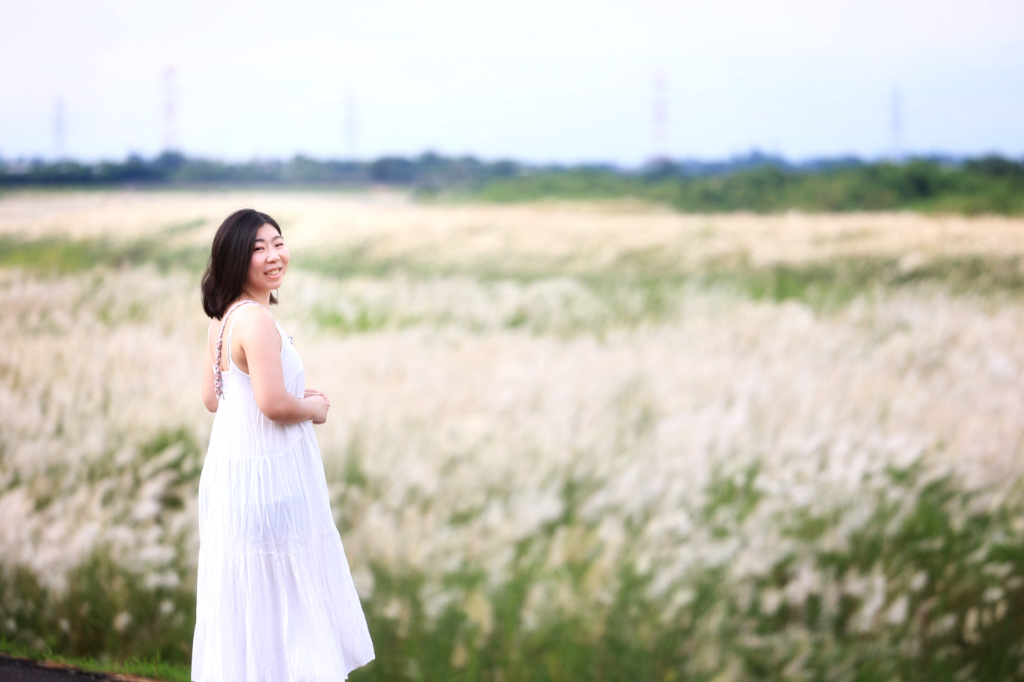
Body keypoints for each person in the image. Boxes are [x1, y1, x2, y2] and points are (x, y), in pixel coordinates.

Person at [193, 208, 374, 682]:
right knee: (286, 601)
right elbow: (272, 404)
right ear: (235, 259)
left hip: (235, 479)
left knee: (252, 603)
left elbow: (214, 398)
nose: (274, 256)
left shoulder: (224, 317)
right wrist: (311, 409)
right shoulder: (256, 321)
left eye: (278, 242)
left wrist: (287, 397)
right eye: (258, 248)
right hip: (269, 480)